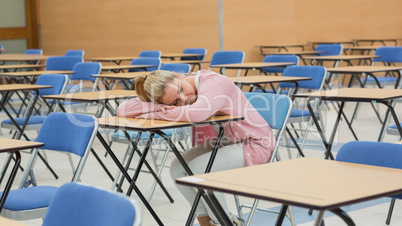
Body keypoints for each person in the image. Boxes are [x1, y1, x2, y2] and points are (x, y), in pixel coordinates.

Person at [117, 70, 275, 226]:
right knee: (177, 169)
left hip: (256, 143)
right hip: (228, 140)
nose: (184, 99)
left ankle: (222, 221)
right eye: (174, 103)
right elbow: (123, 109)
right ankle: (208, 222)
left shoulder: (214, 83)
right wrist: (158, 107)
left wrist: (153, 114)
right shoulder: (171, 88)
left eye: (180, 90)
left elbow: (195, 114)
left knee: (200, 169)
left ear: (179, 76)